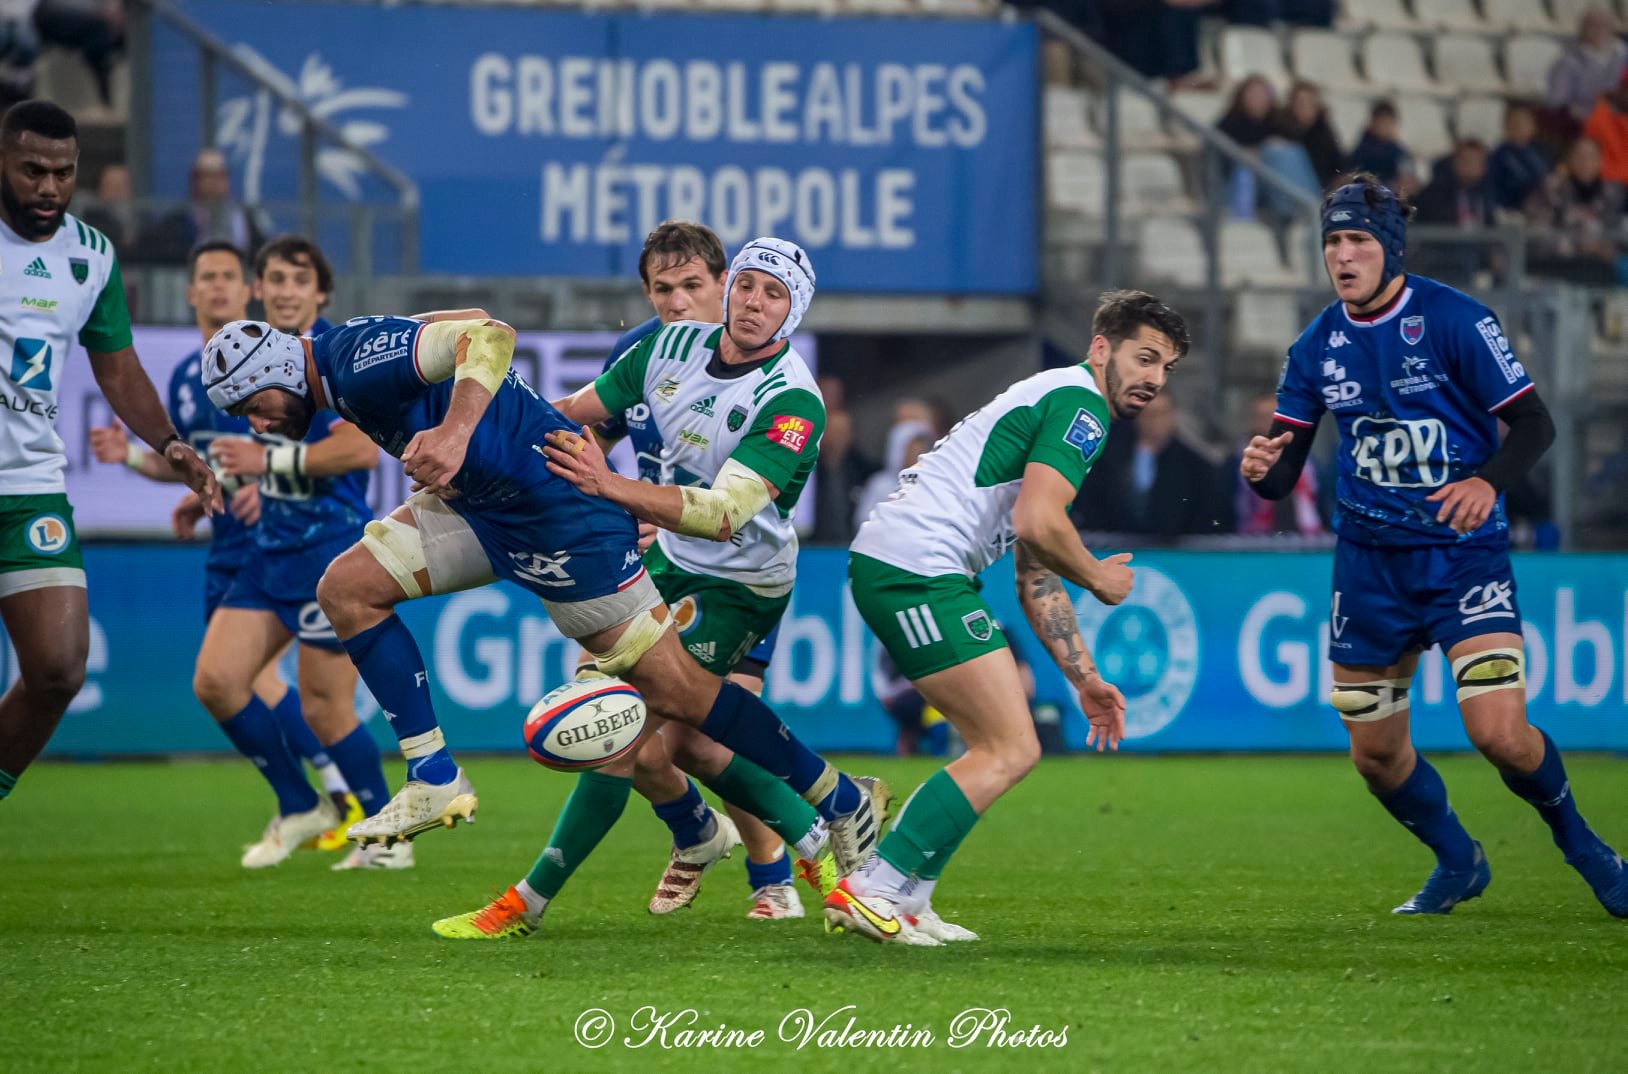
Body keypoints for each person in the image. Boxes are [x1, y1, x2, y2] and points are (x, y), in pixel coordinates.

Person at [200, 311, 880, 872]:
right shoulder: (340, 368)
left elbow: (489, 333)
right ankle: (434, 775)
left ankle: (839, 798)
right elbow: (448, 325)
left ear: (279, 372)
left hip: (557, 512)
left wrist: (455, 432)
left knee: (679, 692)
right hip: (482, 507)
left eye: (253, 405)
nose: (254, 421)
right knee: (348, 588)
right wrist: (454, 450)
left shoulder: (355, 361)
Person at [432, 227, 841, 939]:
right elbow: (564, 425)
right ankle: (765, 836)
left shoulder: (791, 399)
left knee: (639, 732)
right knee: (655, 742)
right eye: (747, 284)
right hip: (663, 556)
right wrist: (469, 442)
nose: (743, 302)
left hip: (739, 575)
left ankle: (533, 903)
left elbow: (717, 515)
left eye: (768, 293)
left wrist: (615, 491)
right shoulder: (658, 351)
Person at [1241, 174, 1628, 917]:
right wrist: (1264, 471)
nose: (1343, 256)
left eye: (1357, 240)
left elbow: (1536, 424)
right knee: (1374, 754)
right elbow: (1284, 466)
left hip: (1461, 556)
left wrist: (1487, 483)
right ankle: (1459, 860)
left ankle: (1588, 849)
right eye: (1332, 242)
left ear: (1389, 248)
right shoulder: (1315, 345)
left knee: (1501, 736)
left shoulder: (1456, 320)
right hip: (1368, 566)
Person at [824, 289, 1190, 945]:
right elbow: (1040, 523)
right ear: (1101, 349)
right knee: (1011, 746)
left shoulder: (1059, 400)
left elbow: (1034, 569)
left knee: (995, 746)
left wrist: (1084, 678)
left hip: (907, 566)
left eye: (1165, 368)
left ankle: (908, 898)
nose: (1154, 380)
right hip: (914, 567)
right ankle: (873, 887)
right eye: (1145, 358)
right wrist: (1101, 577)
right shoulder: (1081, 407)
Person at [88, 240, 363, 860]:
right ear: (192, 292)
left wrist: (268, 477)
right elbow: (212, 460)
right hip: (237, 542)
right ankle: (318, 801)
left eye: (229, 278)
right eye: (206, 277)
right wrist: (158, 467)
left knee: (286, 685)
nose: (218, 287)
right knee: (230, 678)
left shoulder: (303, 362)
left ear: (249, 293)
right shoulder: (192, 377)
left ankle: (350, 803)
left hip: (307, 540)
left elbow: (338, 452)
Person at [0, 100, 221, 803]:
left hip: (28, 484)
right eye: (32, 169)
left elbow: (117, 368)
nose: (47, 187)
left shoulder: (89, 256)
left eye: (62, 173)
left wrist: (169, 442)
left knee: (60, 668)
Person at [1071, 390, 1220, 537]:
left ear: (1172, 416)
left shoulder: (1196, 467)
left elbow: (1204, 518)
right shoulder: (1107, 458)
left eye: (1162, 414)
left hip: (1173, 552)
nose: (1156, 422)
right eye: (1150, 415)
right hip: (1114, 548)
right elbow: (1092, 506)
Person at [1546, 7, 1627, 126]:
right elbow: (1556, 103)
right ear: (1582, 29)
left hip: (1621, 122)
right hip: (1585, 124)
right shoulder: (1567, 62)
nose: (1599, 30)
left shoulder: (1623, 57)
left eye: (1605, 25)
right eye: (1593, 25)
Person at [1487, 104, 1550, 213]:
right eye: (1515, 123)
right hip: (1511, 213)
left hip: (1542, 212)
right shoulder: (1497, 156)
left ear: (1533, 126)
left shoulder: (1542, 152)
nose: (1519, 127)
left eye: (1524, 122)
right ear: (1506, 126)